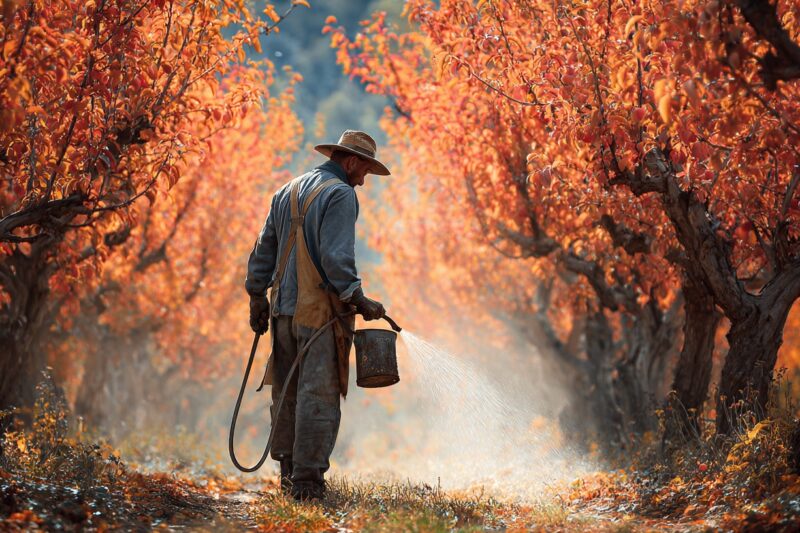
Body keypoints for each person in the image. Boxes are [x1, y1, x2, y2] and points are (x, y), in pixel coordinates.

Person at [245, 130, 389, 501]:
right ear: (351, 161)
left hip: (281, 312)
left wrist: (256, 295)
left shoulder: (287, 190)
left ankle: (287, 474)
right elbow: (336, 258)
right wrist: (358, 297)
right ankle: (307, 484)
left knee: (285, 392)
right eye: (365, 171)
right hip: (319, 313)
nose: (363, 180)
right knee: (318, 395)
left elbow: (264, 248)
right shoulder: (341, 194)